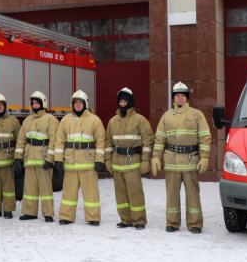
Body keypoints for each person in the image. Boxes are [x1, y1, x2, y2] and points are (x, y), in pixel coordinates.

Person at [152, 82, 212, 234]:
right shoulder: (166, 116)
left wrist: (204, 158)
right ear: (174, 98)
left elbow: (205, 138)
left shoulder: (196, 115)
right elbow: (159, 139)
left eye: (182, 95)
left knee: (193, 194)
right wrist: (156, 157)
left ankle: (195, 224)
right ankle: (172, 222)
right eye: (177, 95)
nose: (180, 98)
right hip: (171, 161)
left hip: (190, 160)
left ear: (187, 98)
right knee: (171, 194)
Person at [53, 90, 106, 225]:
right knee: (68, 194)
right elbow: (59, 141)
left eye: (80, 102)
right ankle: (66, 216)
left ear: (85, 104)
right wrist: (58, 159)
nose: (77, 105)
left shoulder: (94, 120)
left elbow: (101, 141)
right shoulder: (66, 120)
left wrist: (99, 159)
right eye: (75, 102)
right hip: (70, 162)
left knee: (91, 193)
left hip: (88, 163)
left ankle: (93, 217)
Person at [104, 88, 154, 230]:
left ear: (131, 102)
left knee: (135, 193)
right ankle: (125, 219)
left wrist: (145, 161)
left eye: (125, 101)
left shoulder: (140, 120)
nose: (123, 104)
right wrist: (108, 161)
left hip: (133, 161)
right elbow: (108, 143)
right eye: (121, 101)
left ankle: (138, 220)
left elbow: (148, 141)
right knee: (120, 194)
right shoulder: (113, 121)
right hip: (117, 162)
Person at [14, 91, 59, 222]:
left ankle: (48, 213)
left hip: (43, 159)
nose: (34, 105)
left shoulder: (51, 120)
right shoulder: (27, 120)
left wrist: (50, 160)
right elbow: (21, 140)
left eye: (37, 102)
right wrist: (18, 157)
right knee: (29, 188)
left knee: (45, 189)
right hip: (29, 159)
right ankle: (30, 212)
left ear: (43, 103)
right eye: (33, 103)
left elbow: (54, 141)